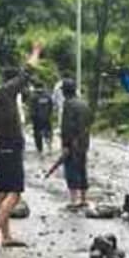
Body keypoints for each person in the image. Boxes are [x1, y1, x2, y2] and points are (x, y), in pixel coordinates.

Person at [0, 42, 43, 251]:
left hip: (0, 149)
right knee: (15, 193)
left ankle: (6, 236)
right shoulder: (7, 92)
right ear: (12, 81)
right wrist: (35, 52)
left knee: (3, 193)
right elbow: (27, 72)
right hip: (10, 147)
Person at [59, 77, 92, 209]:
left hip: (73, 143)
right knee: (82, 169)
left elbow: (67, 126)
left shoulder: (68, 104)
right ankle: (84, 198)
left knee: (71, 170)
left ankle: (74, 200)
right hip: (84, 142)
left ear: (64, 92)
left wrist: (66, 145)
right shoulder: (83, 104)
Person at [29, 86, 55, 154]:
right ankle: (49, 147)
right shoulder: (47, 95)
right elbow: (51, 106)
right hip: (47, 118)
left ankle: (40, 150)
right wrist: (49, 115)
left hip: (37, 120)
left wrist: (32, 118)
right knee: (48, 133)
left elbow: (32, 109)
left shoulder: (33, 96)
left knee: (38, 135)